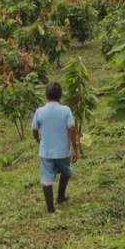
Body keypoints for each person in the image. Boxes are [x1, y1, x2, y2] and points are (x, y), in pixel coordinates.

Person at [31, 82, 80, 213]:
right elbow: (71, 129)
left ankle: (51, 209)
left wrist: (37, 139)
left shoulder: (39, 111)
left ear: (46, 95)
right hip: (63, 151)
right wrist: (75, 149)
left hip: (46, 151)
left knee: (46, 179)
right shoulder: (66, 110)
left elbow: (34, 130)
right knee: (66, 172)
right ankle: (60, 197)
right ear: (60, 95)